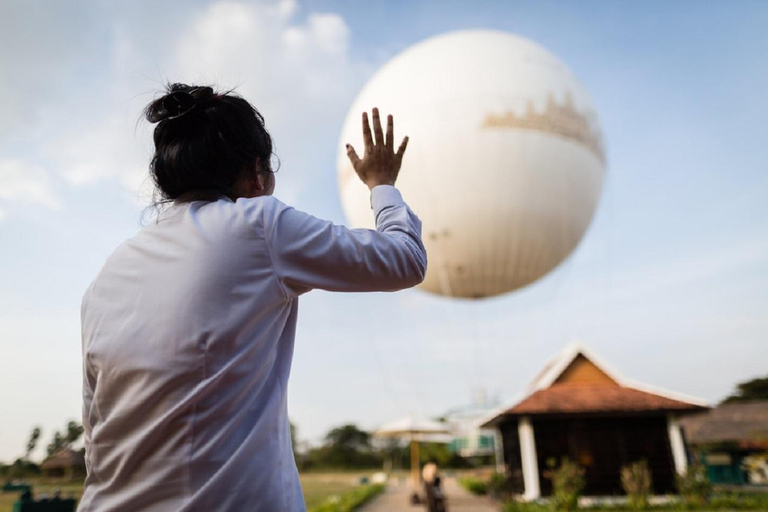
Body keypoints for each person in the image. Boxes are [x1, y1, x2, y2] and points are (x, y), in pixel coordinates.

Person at [78, 83, 427, 511]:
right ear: (257, 173)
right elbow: (406, 259)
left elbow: (96, 429)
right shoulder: (258, 224)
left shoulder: (108, 274)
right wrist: (382, 185)